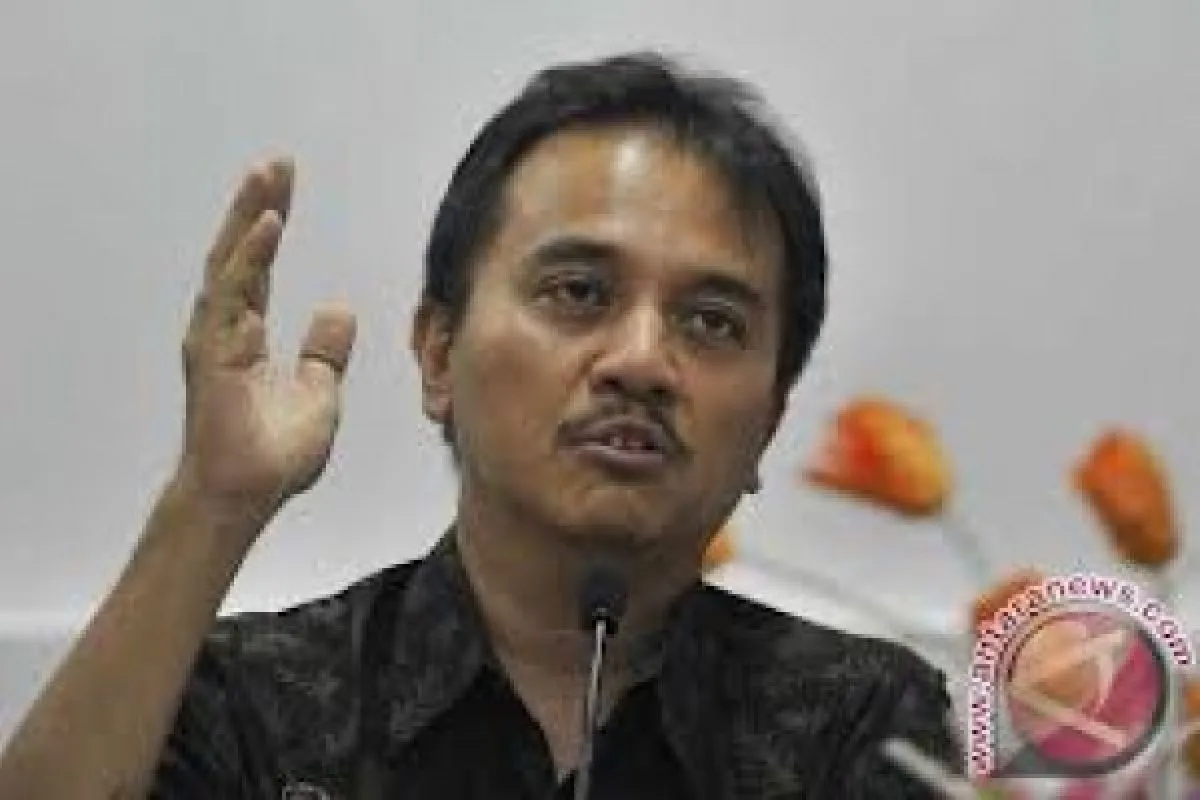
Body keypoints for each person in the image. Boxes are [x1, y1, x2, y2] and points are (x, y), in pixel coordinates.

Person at [0, 52, 961, 798]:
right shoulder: (259, 705)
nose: (641, 361)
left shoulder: (860, 721)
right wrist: (212, 505)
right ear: (437, 354)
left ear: (770, 422)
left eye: (711, 322)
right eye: (579, 292)